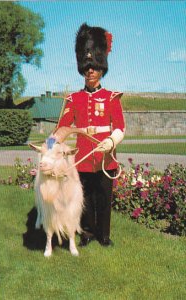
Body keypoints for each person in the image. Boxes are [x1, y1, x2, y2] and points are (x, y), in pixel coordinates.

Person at [54, 23, 125, 247]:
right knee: (83, 199)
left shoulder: (112, 97)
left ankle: (103, 235)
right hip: (83, 158)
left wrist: (111, 141)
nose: (90, 71)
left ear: (101, 68)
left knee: (104, 198)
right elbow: (62, 129)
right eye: (87, 67)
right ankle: (86, 233)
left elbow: (120, 127)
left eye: (94, 66)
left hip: (105, 157)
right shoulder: (73, 99)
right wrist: (49, 145)